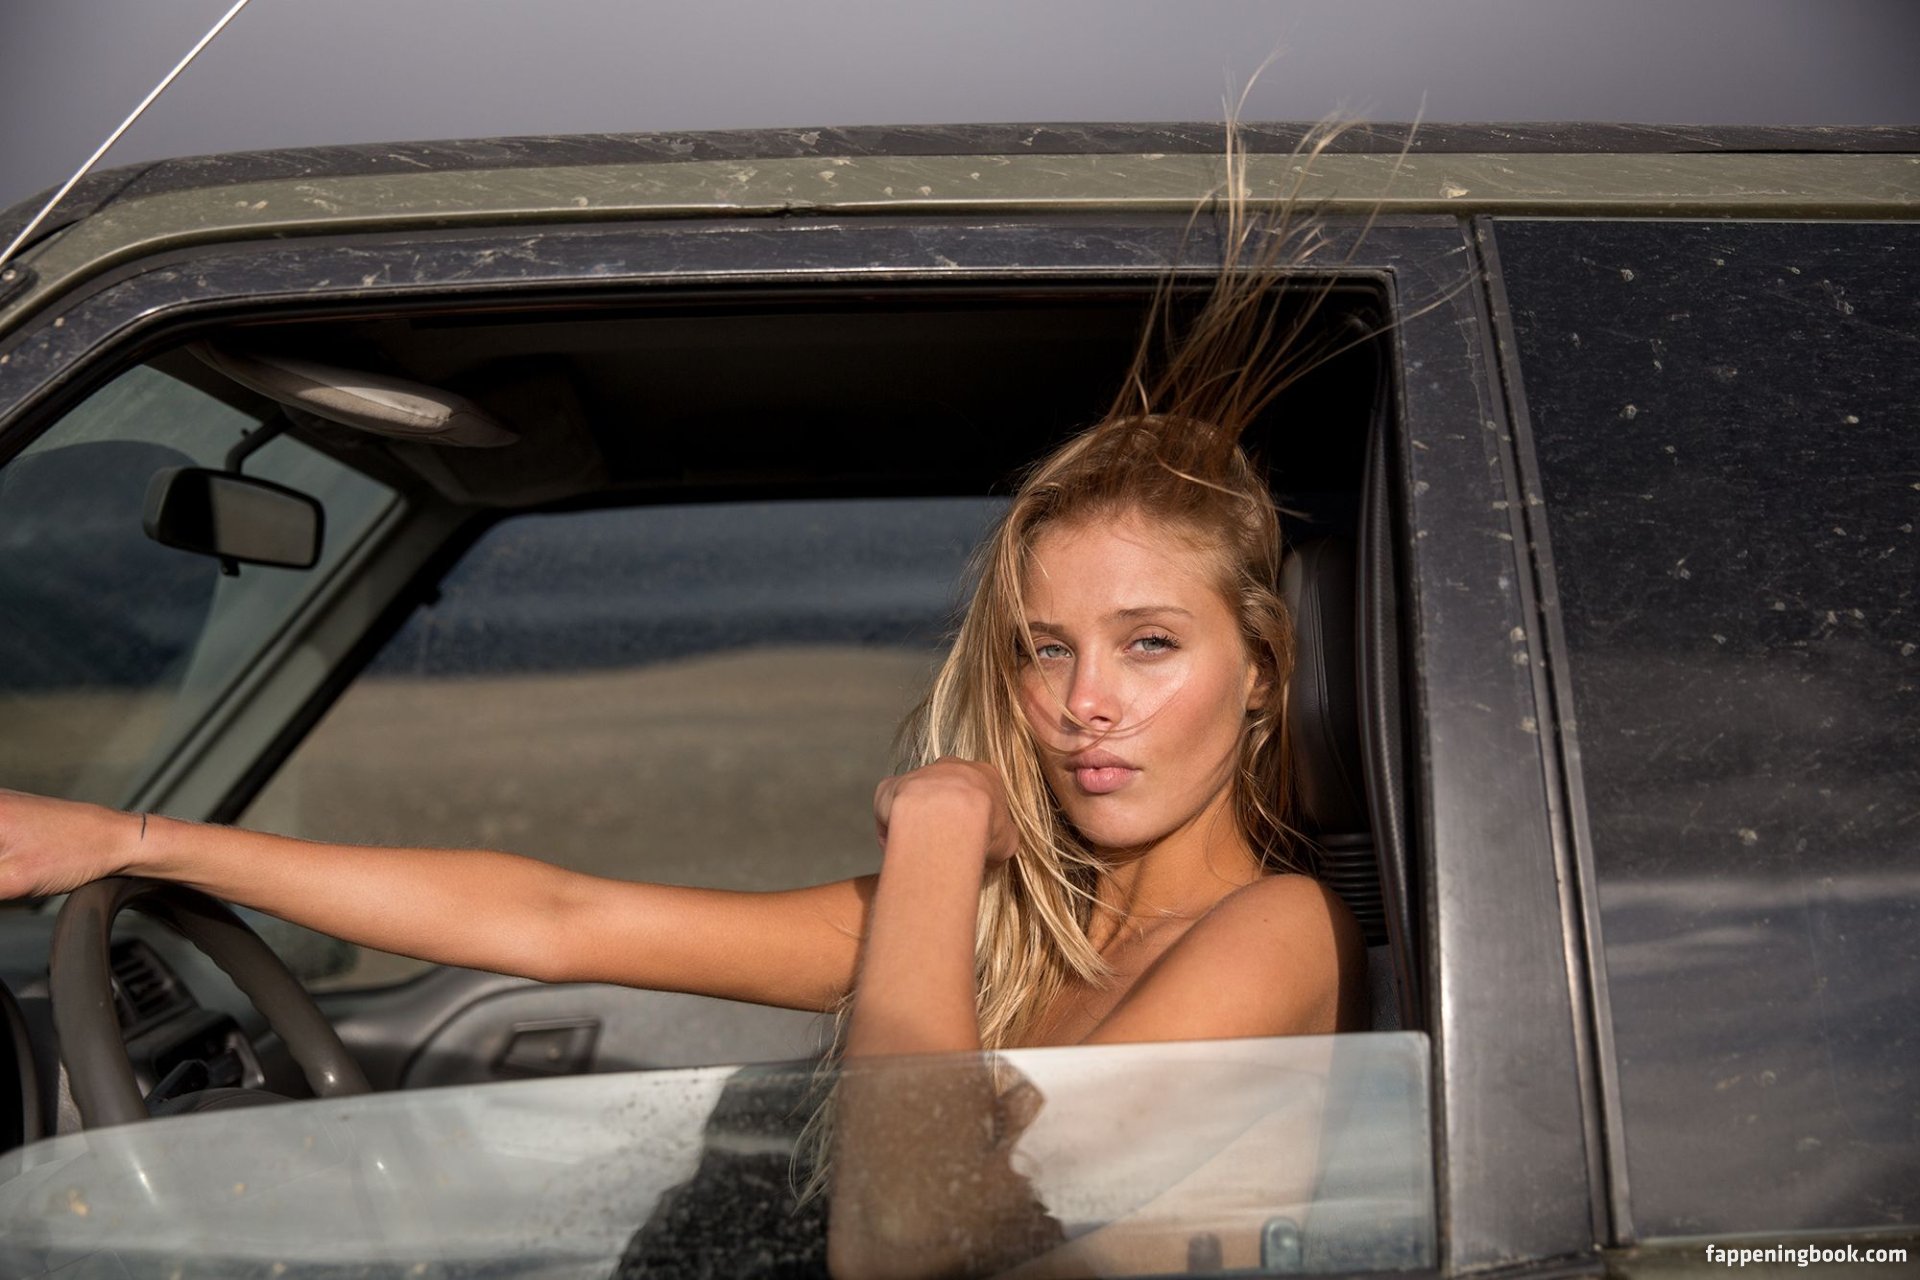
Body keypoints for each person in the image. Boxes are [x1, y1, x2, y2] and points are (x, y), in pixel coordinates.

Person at [0, 119, 1370, 1279]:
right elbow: (557, 920)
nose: (1085, 703)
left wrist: (942, 824)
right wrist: (137, 841)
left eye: (1149, 645)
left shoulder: (1279, 932)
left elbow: (911, 1236)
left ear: (1263, 676)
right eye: (1045, 649)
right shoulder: (1006, 929)